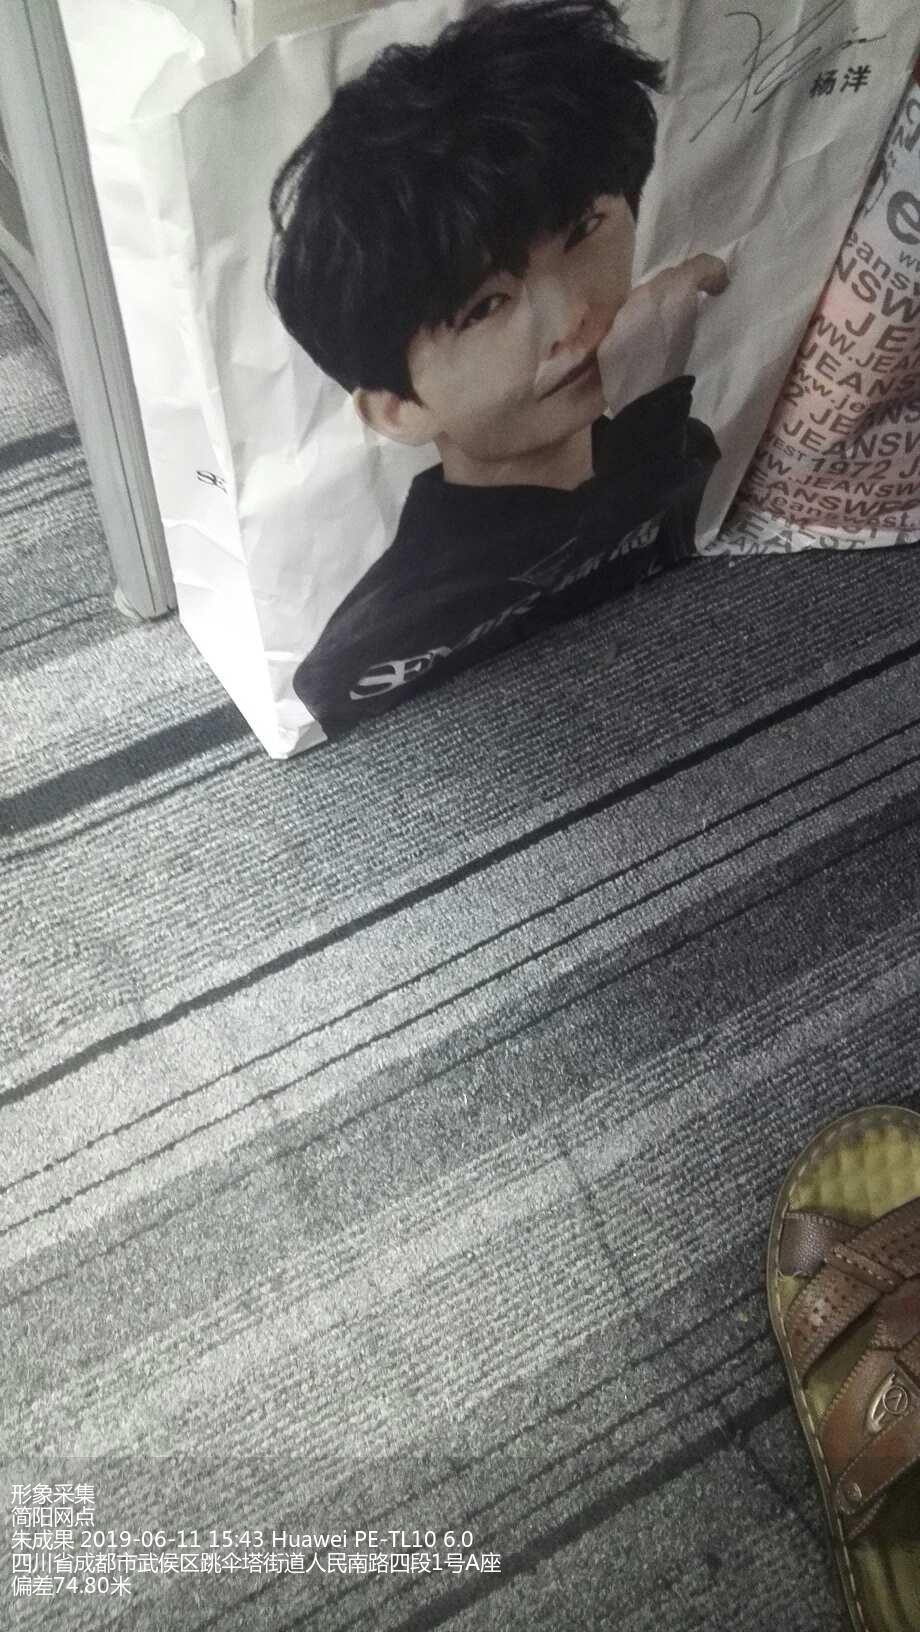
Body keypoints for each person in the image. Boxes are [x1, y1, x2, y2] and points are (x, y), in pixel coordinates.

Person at [268, 0, 728, 736]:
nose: (572, 319)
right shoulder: (375, 639)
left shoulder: (680, 446)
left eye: (585, 230)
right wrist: (653, 414)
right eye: (485, 306)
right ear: (396, 408)